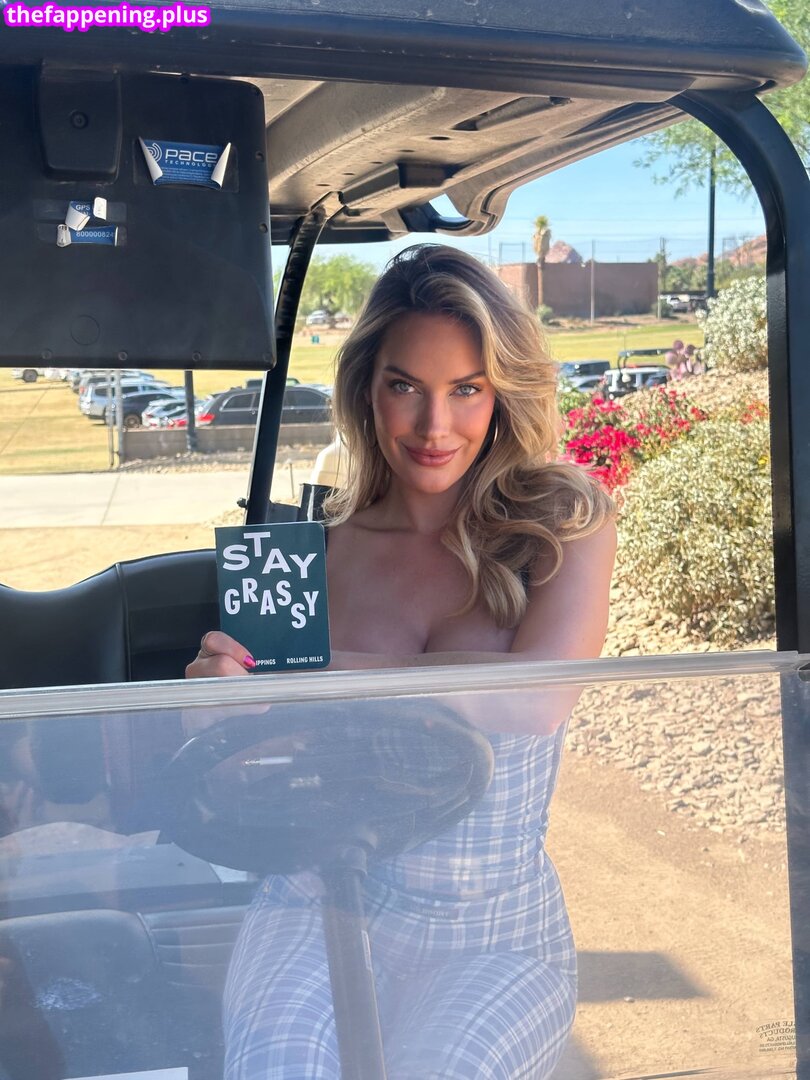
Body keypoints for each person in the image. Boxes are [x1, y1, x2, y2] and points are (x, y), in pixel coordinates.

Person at [187, 244, 616, 1079]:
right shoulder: (310, 550)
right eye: (405, 387)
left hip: (491, 931)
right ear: (366, 389)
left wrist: (313, 675)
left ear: (503, 391)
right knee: (277, 1064)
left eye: (467, 389)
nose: (433, 426)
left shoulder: (564, 524)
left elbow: (537, 701)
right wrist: (216, 701)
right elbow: (253, 761)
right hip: (318, 899)